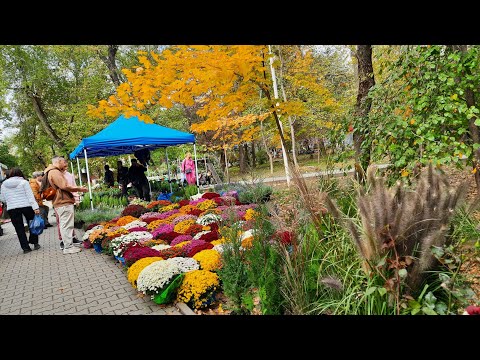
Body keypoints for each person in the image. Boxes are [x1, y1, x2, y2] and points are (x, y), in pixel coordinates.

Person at [45, 155, 88, 255]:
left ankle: (68, 246)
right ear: (59, 161)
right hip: (63, 202)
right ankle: (68, 247)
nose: (65, 164)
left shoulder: (52, 171)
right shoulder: (54, 172)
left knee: (65, 225)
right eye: (64, 162)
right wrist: (79, 189)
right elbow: (64, 186)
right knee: (66, 226)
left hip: (61, 202)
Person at [0, 168, 41, 254]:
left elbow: (2, 198)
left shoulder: (4, 184)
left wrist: (10, 201)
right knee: (32, 224)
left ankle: (25, 248)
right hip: (26, 206)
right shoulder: (24, 182)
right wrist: (36, 208)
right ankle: (35, 243)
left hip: (12, 208)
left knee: (19, 228)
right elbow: (30, 196)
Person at [55, 168, 81, 250]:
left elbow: (74, 187)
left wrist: (77, 199)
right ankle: (63, 240)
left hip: (69, 200)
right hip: (59, 202)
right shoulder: (55, 174)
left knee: (70, 221)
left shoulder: (69, 175)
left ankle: (72, 237)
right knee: (61, 222)